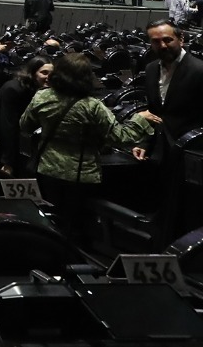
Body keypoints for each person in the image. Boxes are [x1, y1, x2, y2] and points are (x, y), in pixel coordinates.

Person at [19, 51, 156, 242]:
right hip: (80, 174)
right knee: (77, 225)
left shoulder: (42, 96)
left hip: (47, 168)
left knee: (52, 219)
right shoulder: (92, 106)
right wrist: (139, 118)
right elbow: (122, 137)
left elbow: (25, 125)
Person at [135, 20, 203, 242]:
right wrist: (144, 143)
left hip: (192, 153)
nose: (162, 45)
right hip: (162, 152)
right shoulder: (150, 69)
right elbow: (155, 112)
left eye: (167, 39)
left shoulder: (199, 70)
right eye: (156, 41)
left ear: (181, 39)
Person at [0, 54, 53, 174]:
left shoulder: (43, 90)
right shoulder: (14, 89)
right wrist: (8, 162)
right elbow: (8, 126)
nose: (48, 77)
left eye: (52, 74)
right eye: (44, 73)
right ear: (32, 73)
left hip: (18, 137)